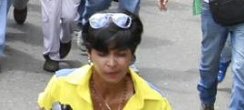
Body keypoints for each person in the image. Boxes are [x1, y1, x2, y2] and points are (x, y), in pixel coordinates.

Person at [38, 10, 172, 110]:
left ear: (132, 55)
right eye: (103, 54)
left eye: (121, 54)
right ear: (89, 53)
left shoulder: (155, 101)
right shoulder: (62, 84)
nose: (112, 63)